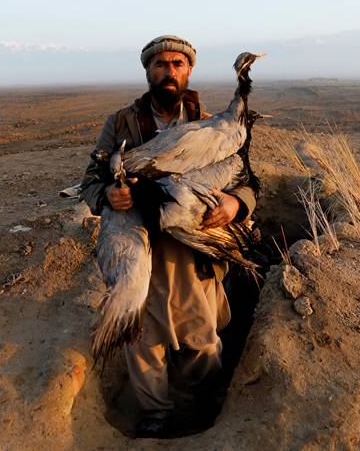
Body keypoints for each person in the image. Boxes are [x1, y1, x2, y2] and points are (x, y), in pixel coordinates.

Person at [81, 35, 257, 437]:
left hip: (194, 252)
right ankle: (155, 413)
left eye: (177, 64)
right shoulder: (121, 123)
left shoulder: (212, 124)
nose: (169, 71)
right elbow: (91, 180)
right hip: (143, 251)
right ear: (148, 71)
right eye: (160, 64)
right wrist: (108, 194)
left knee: (202, 334)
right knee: (143, 338)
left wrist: (234, 205)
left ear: (189, 70)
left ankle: (205, 400)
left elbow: (247, 178)